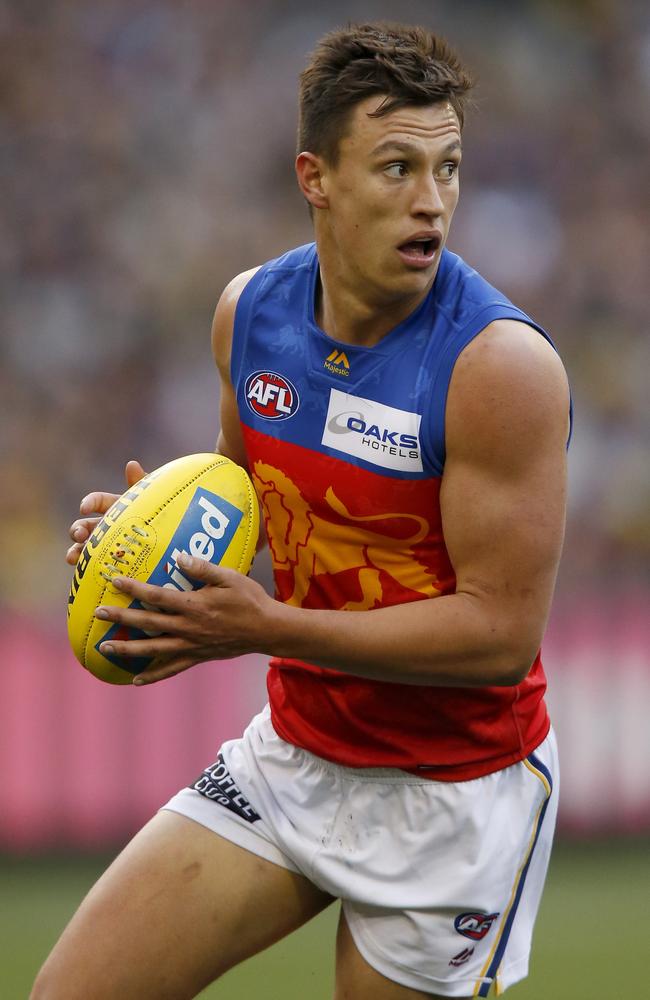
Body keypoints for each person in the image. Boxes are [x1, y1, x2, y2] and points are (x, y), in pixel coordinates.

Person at [33, 22, 570, 1000]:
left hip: (451, 795)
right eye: (396, 166)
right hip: (298, 755)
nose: (431, 200)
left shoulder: (499, 370)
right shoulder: (248, 315)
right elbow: (250, 518)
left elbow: (498, 634)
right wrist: (150, 552)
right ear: (314, 176)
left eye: (447, 167)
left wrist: (262, 627)